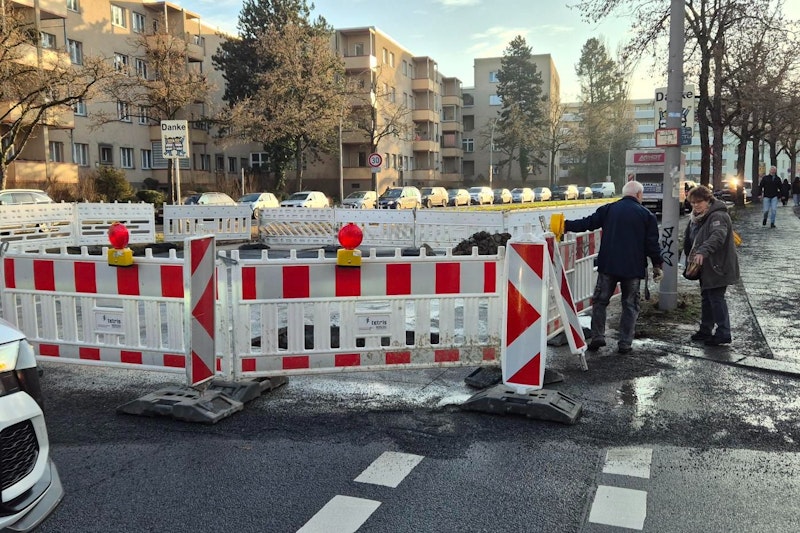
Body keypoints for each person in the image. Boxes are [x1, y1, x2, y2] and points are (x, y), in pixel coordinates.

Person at [563, 180, 663, 354]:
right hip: (632, 268)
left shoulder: (609, 209)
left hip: (609, 264)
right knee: (630, 305)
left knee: (600, 301)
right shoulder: (647, 215)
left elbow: (588, 223)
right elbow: (651, 244)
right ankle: (625, 343)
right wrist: (657, 264)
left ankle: (598, 337)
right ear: (639, 195)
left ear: (624, 194)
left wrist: (565, 225)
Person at [683, 185, 740, 346]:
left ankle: (723, 332)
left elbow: (718, 236)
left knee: (716, 298)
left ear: (708, 200)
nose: (695, 206)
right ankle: (705, 329)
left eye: (698, 202)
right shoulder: (698, 217)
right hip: (705, 266)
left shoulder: (717, 216)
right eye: (692, 203)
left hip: (718, 265)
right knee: (707, 298)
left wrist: (702, 251)